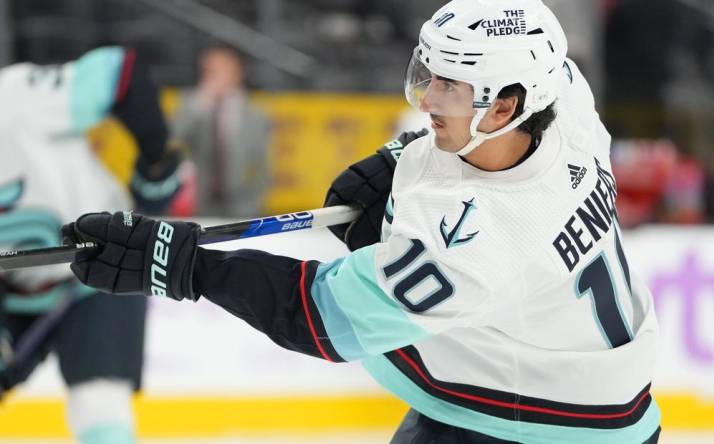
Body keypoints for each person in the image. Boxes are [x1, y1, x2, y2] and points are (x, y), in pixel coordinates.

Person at [61, 1, 661, 442]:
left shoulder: (477, 241)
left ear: (504, 106)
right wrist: (402, 157)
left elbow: (319, 317)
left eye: (449, 86)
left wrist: (184, 266)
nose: (427, 99)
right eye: (429, 74)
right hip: (553, 382)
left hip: (541, 422)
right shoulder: (565, 103)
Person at [0, 47, 179, 444]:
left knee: (98, 401)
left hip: (103, 263)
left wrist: (155, 164)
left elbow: (121, 72)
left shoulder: (14, 99)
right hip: (18, 290)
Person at [170, 45, 270, 217]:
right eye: (209, 70)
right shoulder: (192, 104)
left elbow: (263, 166)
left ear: (238, 72)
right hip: (198, 205)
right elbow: (172, 139)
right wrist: (201, 102)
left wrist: (252, 203)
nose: (214, 76)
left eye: (221, 69)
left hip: (241, 208)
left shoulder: (255, 113)